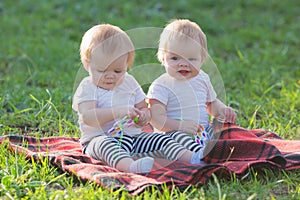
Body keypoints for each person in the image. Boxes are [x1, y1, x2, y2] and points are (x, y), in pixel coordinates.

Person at [72, 24, 205, 174]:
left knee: (164, 140)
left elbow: (144, 107)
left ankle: (194, 158)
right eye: (102, 70)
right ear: (87, 64)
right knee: (104, 145)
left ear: (126, 65)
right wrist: (119, 111)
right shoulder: (88, 87)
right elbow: (89, 117)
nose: (110, 76)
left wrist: (143, 116)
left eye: (118, 70)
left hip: (134, 138)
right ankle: (131, 167)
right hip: (99, 139)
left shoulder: (129, 82)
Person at [147, 19, 237, 157]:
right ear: (163, 59)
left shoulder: (202, 79)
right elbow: (156, 119)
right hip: (172, 135)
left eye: (191, 59)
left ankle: (224, 149)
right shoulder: (161, 86)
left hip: (202, 132)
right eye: (175, 58)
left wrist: (222, 110)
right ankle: (200, 157)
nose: (183, 64)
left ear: (202, 59)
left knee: (226, 131)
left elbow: (211, 104)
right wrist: (181, 126)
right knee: (176, 140)